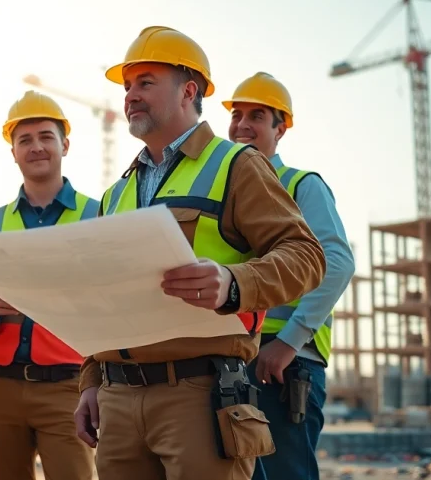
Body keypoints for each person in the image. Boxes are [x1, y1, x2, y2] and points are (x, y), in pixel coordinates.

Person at [73, 26, 327, 480]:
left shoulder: (236, 165)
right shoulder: (115, 193)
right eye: (128, 85)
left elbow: (307, 256)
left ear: (188, 90)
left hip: (199, 394)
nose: (131, 94)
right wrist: (91, 380)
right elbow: (104, 297)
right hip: (117, 400)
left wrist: (235, 283)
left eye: (145, 82)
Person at [0, 90, 99, 480]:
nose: (36, 147)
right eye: (25, 140)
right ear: (13, 151)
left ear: (65, 144)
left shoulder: (99, 216)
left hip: (71, 387)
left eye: (46, 137)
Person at [223, 72, 356, 480]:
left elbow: (337, 262)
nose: (242, 125)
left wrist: (288, 341)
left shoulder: (301, 185)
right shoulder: (224, 187)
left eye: (257, 116)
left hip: (286, 364)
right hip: (236, 359)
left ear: (281, 128)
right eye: (237, 115)